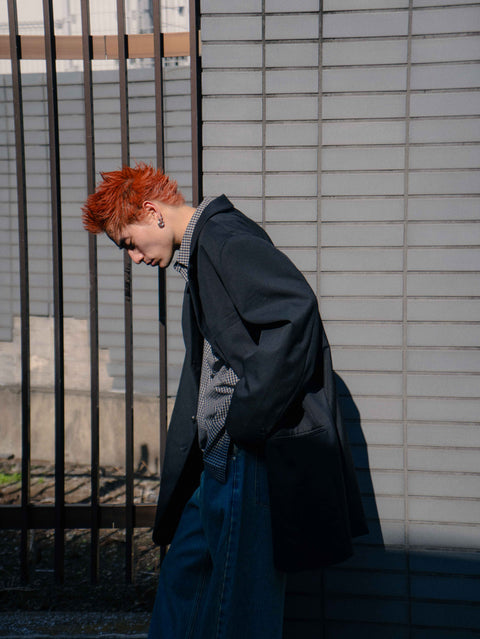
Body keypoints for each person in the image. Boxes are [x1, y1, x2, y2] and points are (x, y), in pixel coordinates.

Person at [82, 163, 368, 639]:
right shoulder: (202, 249)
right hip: (218, 460)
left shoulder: (223, 240)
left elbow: (294, 314)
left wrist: (246, 422)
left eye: (128, 243)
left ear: (151, 212)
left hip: (245, 457)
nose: (133, 258)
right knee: (185, 581)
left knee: (242, 608)